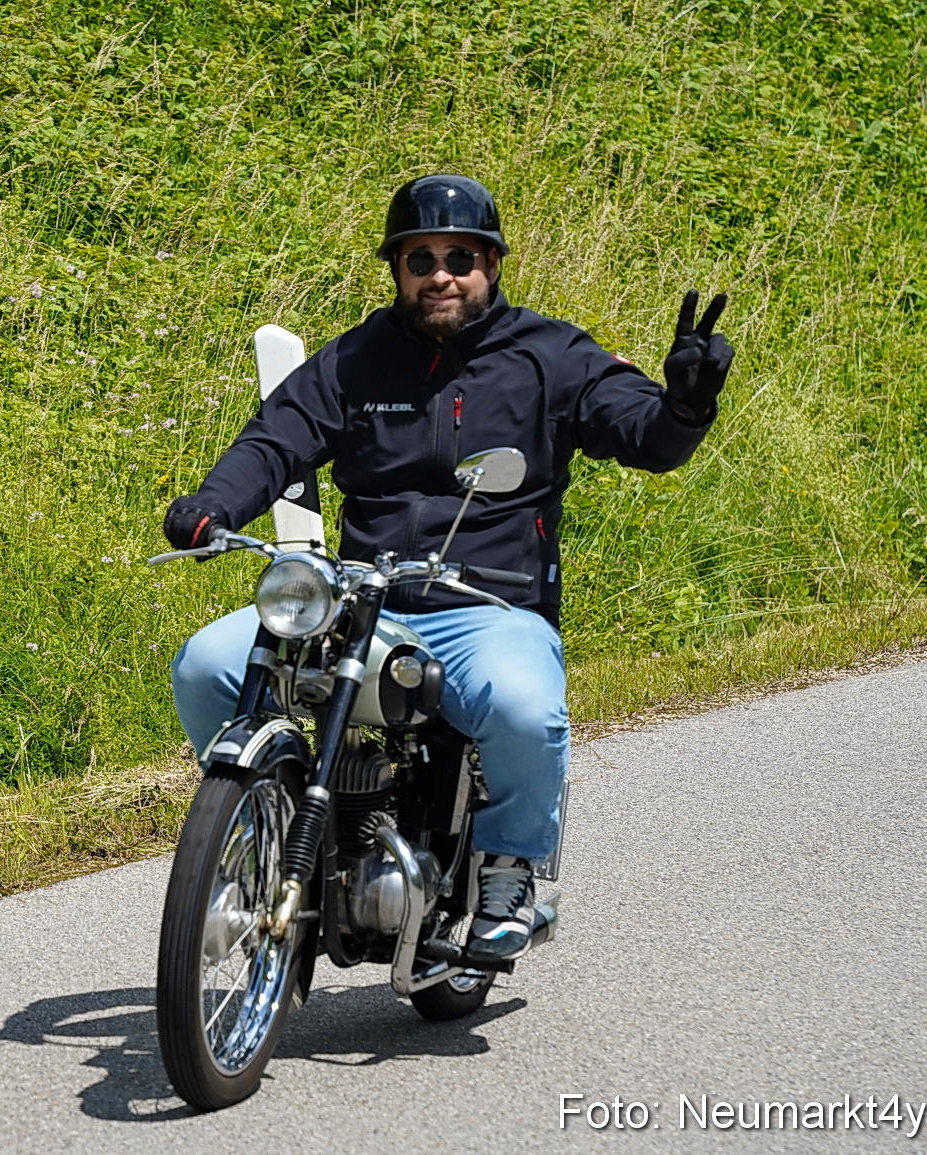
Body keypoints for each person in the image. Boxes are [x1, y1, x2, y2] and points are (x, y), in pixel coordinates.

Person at [162, 173, 734, 962]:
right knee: (206, 664)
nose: (441, 273)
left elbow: (647, 439)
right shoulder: (356, 361)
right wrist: (213, 503)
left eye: (461, 257)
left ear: (492, 266)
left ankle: (510, 866)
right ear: (396, 268)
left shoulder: (552, 356)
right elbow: (276, 438)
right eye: (421, 257)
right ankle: (255, 831)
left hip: (490, 607)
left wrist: (685, 406)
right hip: (365, 605)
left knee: (527, 708)